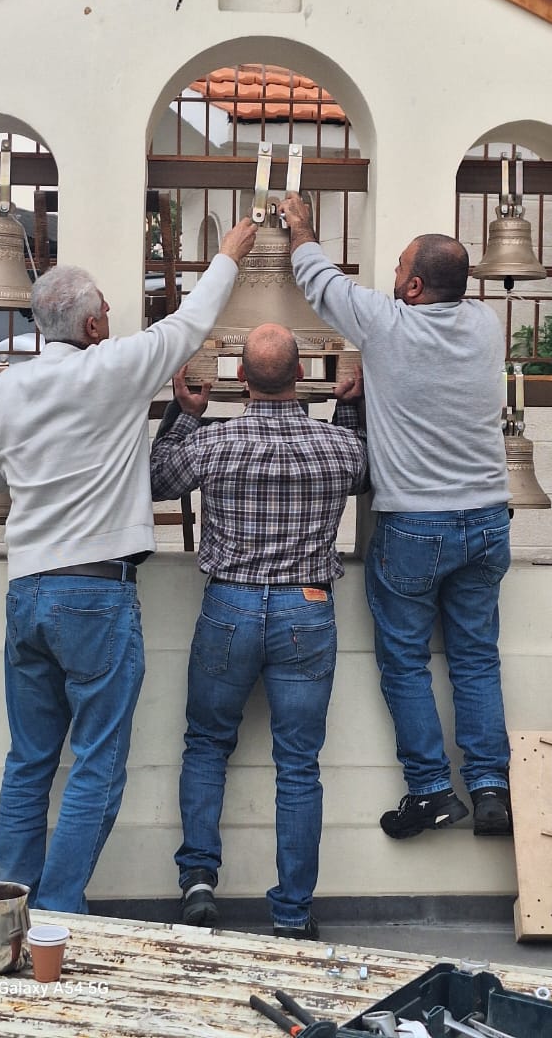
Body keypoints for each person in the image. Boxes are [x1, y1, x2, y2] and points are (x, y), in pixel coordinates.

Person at [0, 216, 257, 914]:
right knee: (97, 761)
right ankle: (57, 915)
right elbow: (188, 325)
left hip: (26, 591)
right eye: (106, 309)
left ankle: (4, 916)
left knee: (28, 761)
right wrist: (226, 255)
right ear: (94, 324)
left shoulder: (4, 390)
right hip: (95, 593)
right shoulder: (114, 369)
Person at [279, 194, 512, 842]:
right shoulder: (485, 325)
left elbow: (319, 280)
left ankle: (432, 790)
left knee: (406, 660)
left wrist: (301, 229)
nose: (391, 275)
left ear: (412, 287)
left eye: (400, 268)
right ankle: (490, 788)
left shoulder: (387, 325)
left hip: (415, 526)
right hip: (487, 520)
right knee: (475, 658)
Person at [150, 324, 368, 939]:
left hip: (230, 606)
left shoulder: (214, 442)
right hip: (307, 609)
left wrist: (185, 413)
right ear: (300, 374)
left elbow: (157, 479)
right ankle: (293, 913)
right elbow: (363, 471)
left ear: (240, 376)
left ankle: (198, 881)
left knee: (206, 745)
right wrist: (348, 408)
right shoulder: (337, 447)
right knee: (298, 765)